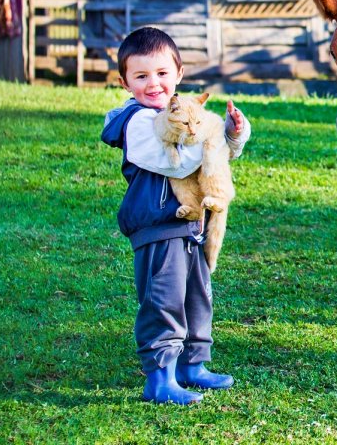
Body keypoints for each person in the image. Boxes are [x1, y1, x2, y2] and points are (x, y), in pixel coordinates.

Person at [100, 26, 251, 404]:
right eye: (141, 75)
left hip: (190, 225)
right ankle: (160, 378)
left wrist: (232, 136)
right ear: (125, 81)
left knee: (197, 297)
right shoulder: (135, 122)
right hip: (157, 228)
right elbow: (178, 165)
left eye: (163, 73)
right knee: (163, 301)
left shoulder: (187, 113)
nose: (154, 83)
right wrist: (212, 142)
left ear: (179, 74)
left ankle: (192, 365)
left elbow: (212, 160)